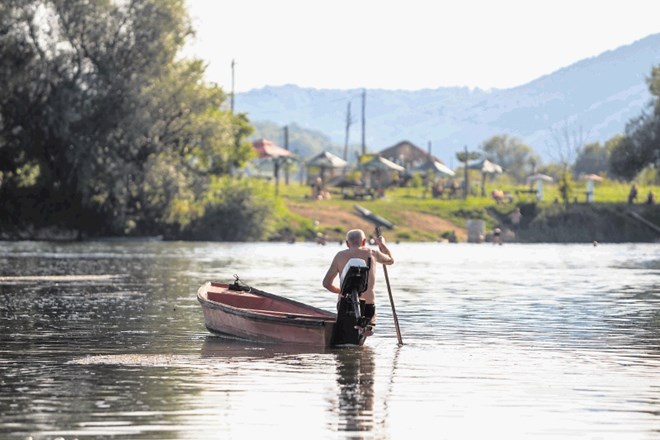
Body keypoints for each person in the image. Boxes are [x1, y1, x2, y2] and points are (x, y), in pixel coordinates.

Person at [322, 229, 394, 335]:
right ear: (364, 242)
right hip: (368, 304)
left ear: (347, 243)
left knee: (347, 333)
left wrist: (341, 291)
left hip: (345, 303)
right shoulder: (373, 253)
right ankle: (367, 328)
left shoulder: (339, 256)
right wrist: (382, 244)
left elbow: (326, 283)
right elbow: (390, 260)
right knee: (367, 327)